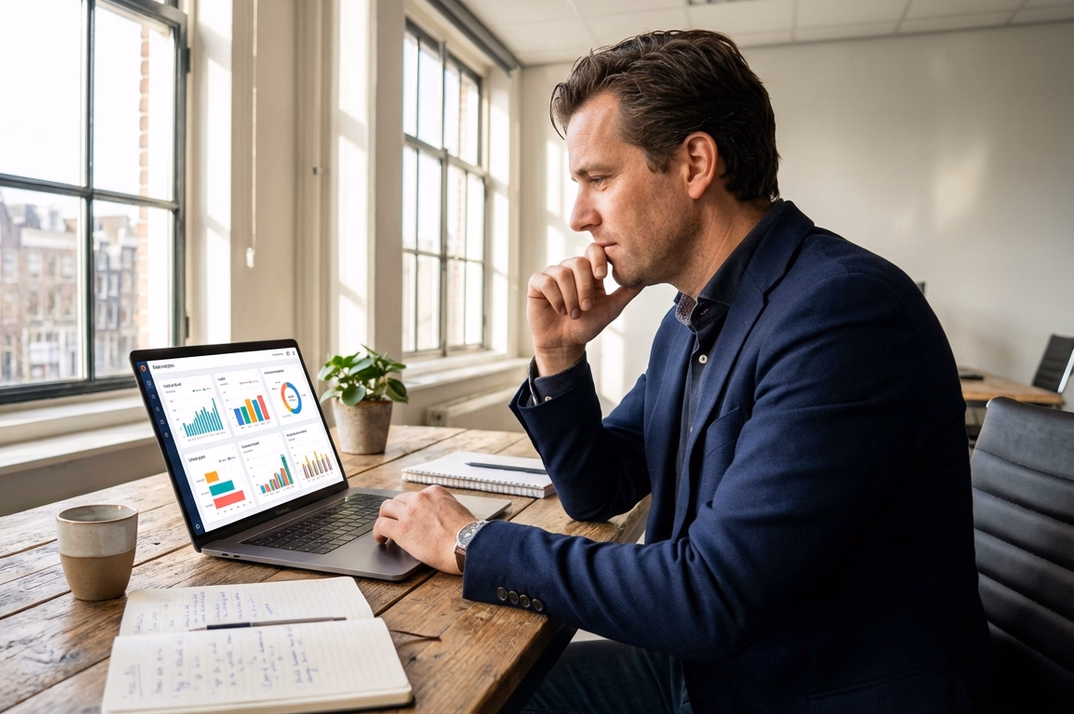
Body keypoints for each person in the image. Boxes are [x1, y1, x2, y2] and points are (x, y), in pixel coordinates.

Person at [371, 30, 988, 713]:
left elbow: (707, 595)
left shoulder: (842, 314)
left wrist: (470, 542)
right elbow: (599, 488)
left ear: (695, 163)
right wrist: (560, 355)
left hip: (802, 691)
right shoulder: (691, 318)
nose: (579, 216)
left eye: (598, 179)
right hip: (711, 671)